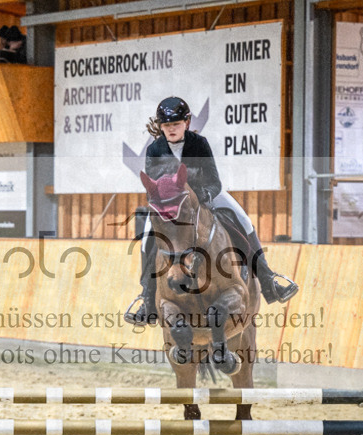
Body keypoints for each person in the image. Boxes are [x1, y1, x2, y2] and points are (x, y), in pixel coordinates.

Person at [125, 96, 298, 325]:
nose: (171, 129)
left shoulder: (199, 143)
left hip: (205, 195)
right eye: (166, 125)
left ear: (186, 123)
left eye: (176, 124)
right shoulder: (154, 150)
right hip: (170, 204)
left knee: (243, 219)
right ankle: (147, 298)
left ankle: (268, 280)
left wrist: (204, 196)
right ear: (161, 126)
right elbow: (153, 188)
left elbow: (215, 181)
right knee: (147, 237)